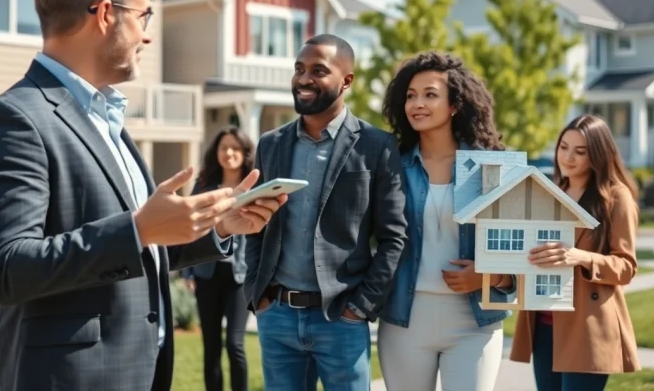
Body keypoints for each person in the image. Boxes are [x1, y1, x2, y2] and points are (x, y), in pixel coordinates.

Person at [0, 0, 285, 391]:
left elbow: (139, 249)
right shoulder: (14, 119)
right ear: (106, 13)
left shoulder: (106, 119)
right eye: (143, 15)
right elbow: (8, 269)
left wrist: (218, 225)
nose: (148, 33)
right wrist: (138, 229)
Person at [244, 33, 409, 390]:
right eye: (299, 69)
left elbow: (395, 238)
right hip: (277, 316)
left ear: (346, 80)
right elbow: (255, 225)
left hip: (341, 319)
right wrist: (257, 296)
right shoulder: (270, 144)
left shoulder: (376, 147)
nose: (304, 79)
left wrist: (360, 308)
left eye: (318, 70)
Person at [376, 51, 515, 391]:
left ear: (455, 104)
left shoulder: (490, 167)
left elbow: (520, 244)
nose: (417, 104)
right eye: (410, 96)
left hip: (474, 322)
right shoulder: (389, 165)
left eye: (430, 94)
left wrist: (491, 275)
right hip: (403, 321)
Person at [509, 114, 641, 391]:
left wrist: (579, 257)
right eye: (563, 147)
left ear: (598, 155)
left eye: (580, 151)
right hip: (544, 321)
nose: (567, 157)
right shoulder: (552, 192)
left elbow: (626, 266)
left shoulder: (616, 197)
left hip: (587, 324)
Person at [181, 127, 255, 391]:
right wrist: (188, 274)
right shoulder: (203, 186)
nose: (229, 153)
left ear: (245, 153)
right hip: (206, 274)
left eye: (235, 147)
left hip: (240, 277)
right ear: (217, 152)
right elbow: (189, 230)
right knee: (210, 346)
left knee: (235, 344)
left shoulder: (255, 187)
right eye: (224, 147)